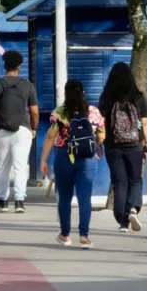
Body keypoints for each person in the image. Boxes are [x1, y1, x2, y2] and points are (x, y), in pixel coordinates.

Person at [39, 79, 105, 249]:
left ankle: (65, 235)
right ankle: (84, 236)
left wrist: (43, 160)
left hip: (64, 156)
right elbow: (102, 136)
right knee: (84, 198)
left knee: (65, 198)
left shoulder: (60, 112)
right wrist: (95, 143)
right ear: (83, 93)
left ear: (66, 94)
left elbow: (50, 136)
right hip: (87, 158)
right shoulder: (93, 111)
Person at [0, 50, 39, 213]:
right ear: (19, 66)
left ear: (4, 66)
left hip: (2, 130)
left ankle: (3, 200)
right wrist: (33, 127)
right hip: (22, 130)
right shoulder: (27, 85)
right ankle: (20, 201)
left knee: (3, 166)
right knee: (20, 167)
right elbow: (34, 111)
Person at [98, 63, 147, 233]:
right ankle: (133, 209)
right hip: (135, 144)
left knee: (119, 182)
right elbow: (144, 121)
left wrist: (100, 141)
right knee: (135, 179)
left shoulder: (106, 97)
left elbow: (100, 121)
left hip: (113, 146)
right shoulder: (138, 96)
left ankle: (122, 221)